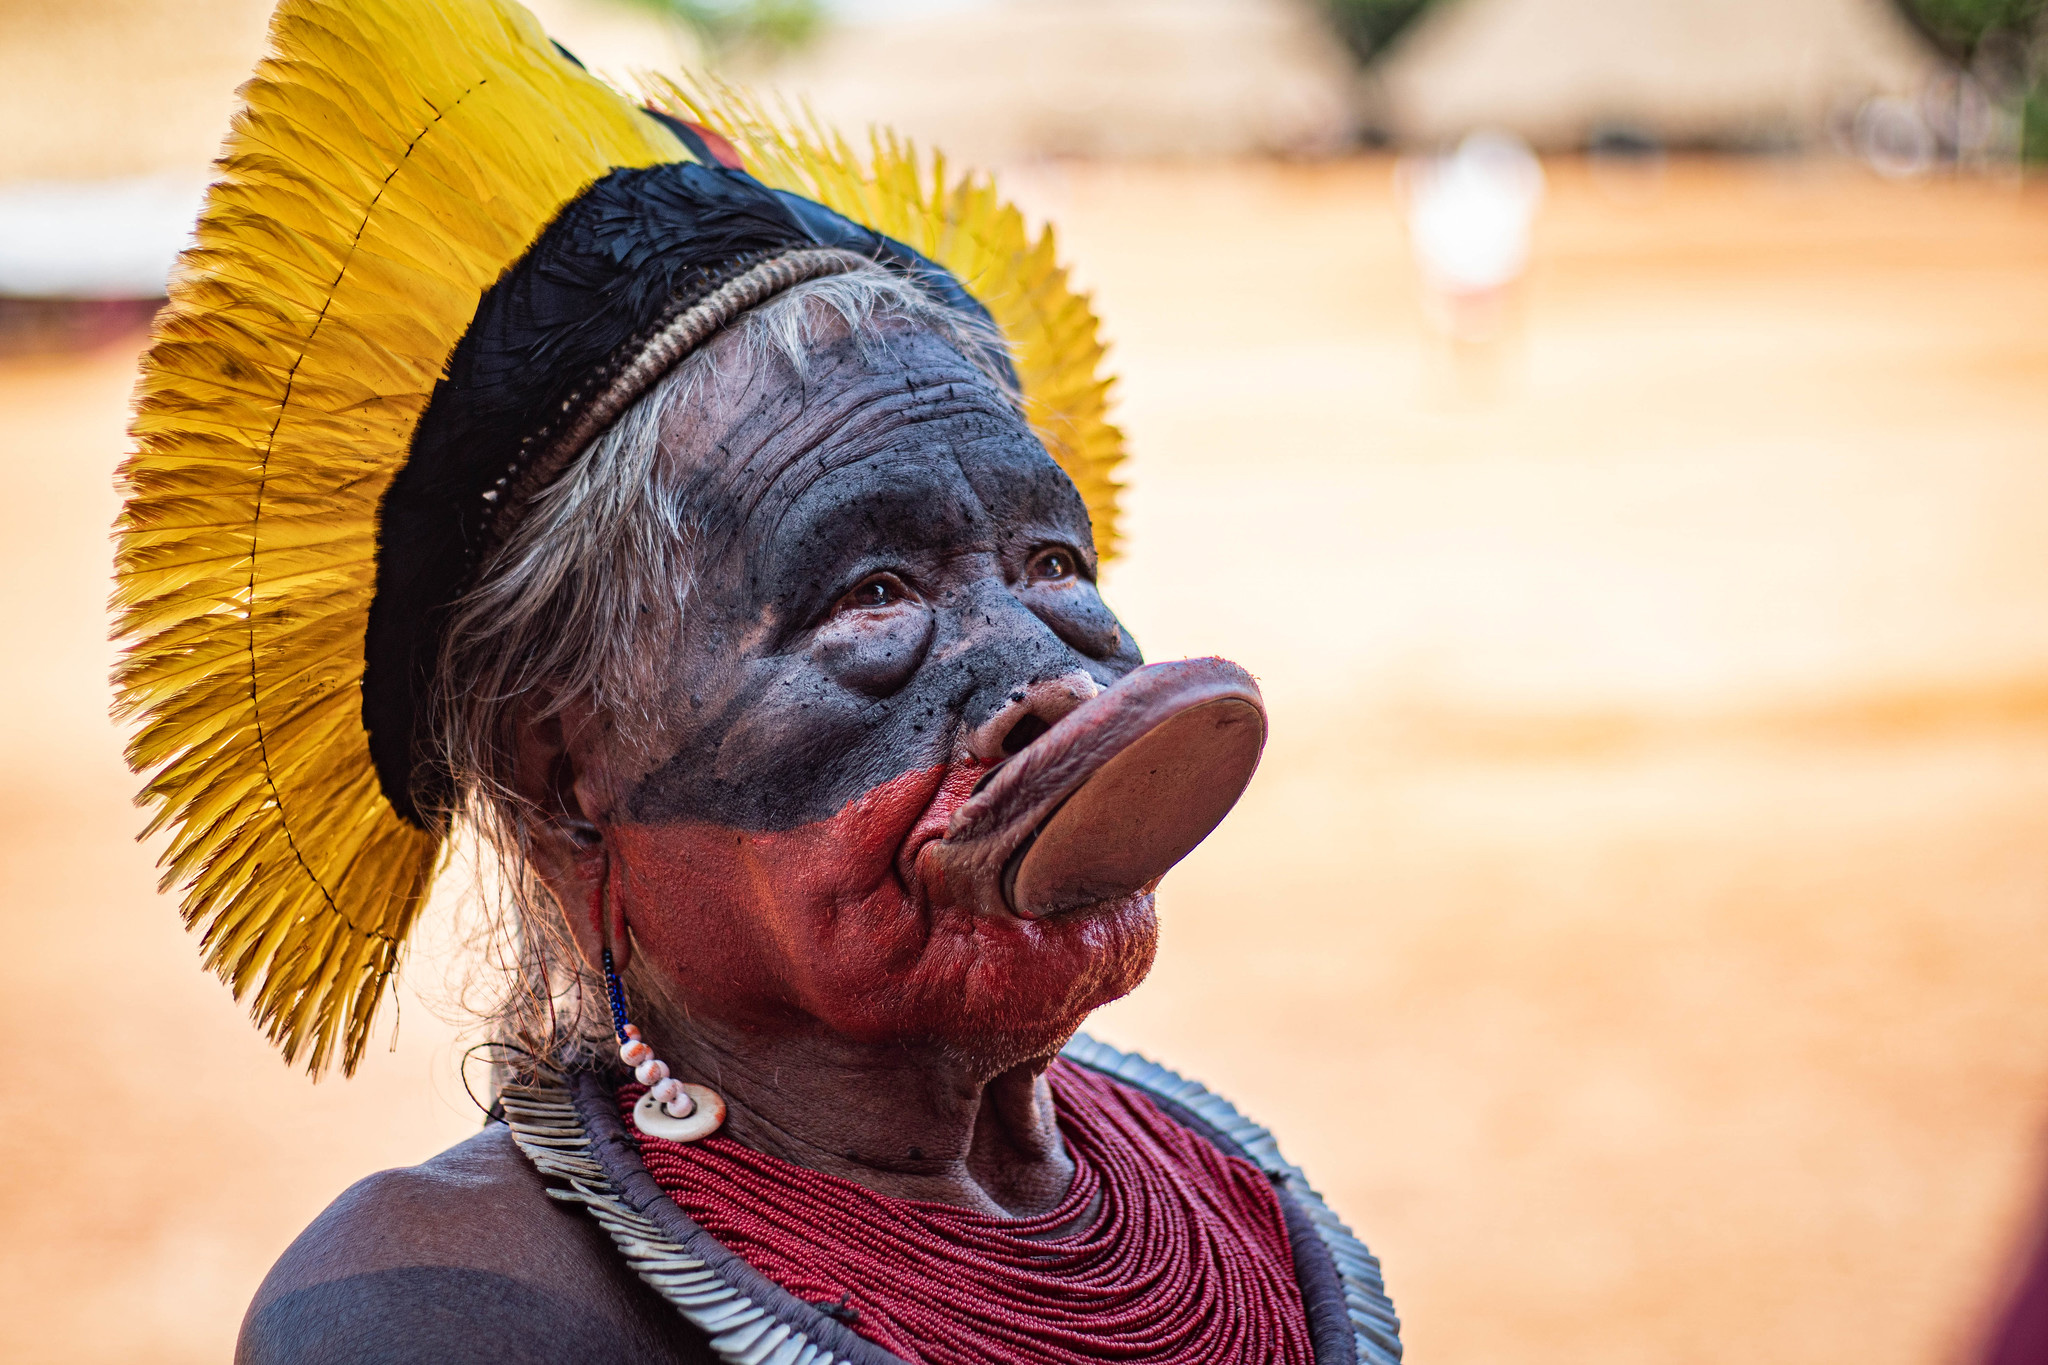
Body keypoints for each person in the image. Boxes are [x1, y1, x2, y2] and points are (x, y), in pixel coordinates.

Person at [111, 2, 1402, 1362]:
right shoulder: (448, 1312)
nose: (1046, 681)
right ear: (567, 772)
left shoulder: (1244, 1215)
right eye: (875, 596)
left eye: (1050, 560)